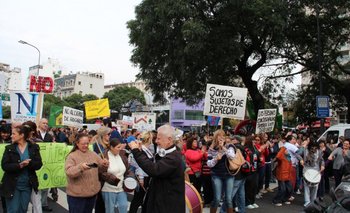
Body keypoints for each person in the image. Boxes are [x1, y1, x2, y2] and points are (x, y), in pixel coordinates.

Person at [128, 124, 185, 213]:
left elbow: (154, 170)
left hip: (166, 206)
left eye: (159, 138)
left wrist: (136, 151)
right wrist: (140, 151)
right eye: (156, 138)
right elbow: (151, 164)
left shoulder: (173, 157)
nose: (156, 141)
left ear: (169, 139)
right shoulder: (167, 153)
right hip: (159, 202)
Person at [0, 125, 43, 213]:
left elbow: (39, 164)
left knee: (23, 209)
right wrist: (19, 165)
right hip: (12, 185)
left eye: (14, 134)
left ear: (22, 135)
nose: (11, 136)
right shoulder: (9, 148)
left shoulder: (34, 148)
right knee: (13, 210)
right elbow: (4, 166)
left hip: (27, 185)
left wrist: (29, 163)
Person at [65, 133, 109, 213]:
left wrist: (105, 164)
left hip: (92, 194)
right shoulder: (72, 156)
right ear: (77, 143)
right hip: (77, 196)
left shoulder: (93, 154)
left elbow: (101, 170)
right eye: (83, 144)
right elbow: (69, 172)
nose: (86, 145)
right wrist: (81, 167)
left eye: (87, 143)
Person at [207, 130, 236, 213]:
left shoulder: (229, 146)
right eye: (219, 136)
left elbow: (232, 156)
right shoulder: (212, 149)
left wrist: (223, 147)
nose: (221, 138)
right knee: (217, 198)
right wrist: (216, 159)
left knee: (229, 199)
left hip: (229, 175)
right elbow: (209, 164)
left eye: (222, 136)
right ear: (216, 138)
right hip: (216, 175)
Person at [99, 138, 131, 213]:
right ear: (111, 147)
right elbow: (100, 172)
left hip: (121, 188)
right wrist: (103, 166)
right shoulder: (103, 156)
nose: (120, 149)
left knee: (124, 206)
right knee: (110, 210)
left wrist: (130, 178)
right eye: (118, 147)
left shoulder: (122, 156)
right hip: (108, 188)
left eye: (120, 147)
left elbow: (128, 170)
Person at [129, 131, 154, 213]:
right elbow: (139, 165)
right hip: (142, 177)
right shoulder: (141, 149)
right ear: (149, 139)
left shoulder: (146, 149)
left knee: (142, 199)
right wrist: (141, 178)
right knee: (138, 199)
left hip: (146, 176)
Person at [299, 140, 324, 207]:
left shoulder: (319, 151)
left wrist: (322, 165)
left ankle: (313, 201)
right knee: (306, 187)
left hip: (316, 171)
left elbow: (322, 159)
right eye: (312, 147)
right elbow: (297, 153)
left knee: (315, 187)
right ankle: (307, 201)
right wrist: (301, 159)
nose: (314, 149)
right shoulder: (305, 150)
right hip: (307, 170)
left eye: (315, 147)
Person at [36, 118, 54, 212]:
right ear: (39, 124)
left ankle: (44, 203)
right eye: (44, 123)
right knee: (37, 185)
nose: (46, 125)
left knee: (46, 184)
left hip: (47, 163)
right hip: (36, 162)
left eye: (47, 123)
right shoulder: (34, 134)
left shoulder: (49, 136)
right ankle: (37, 204)